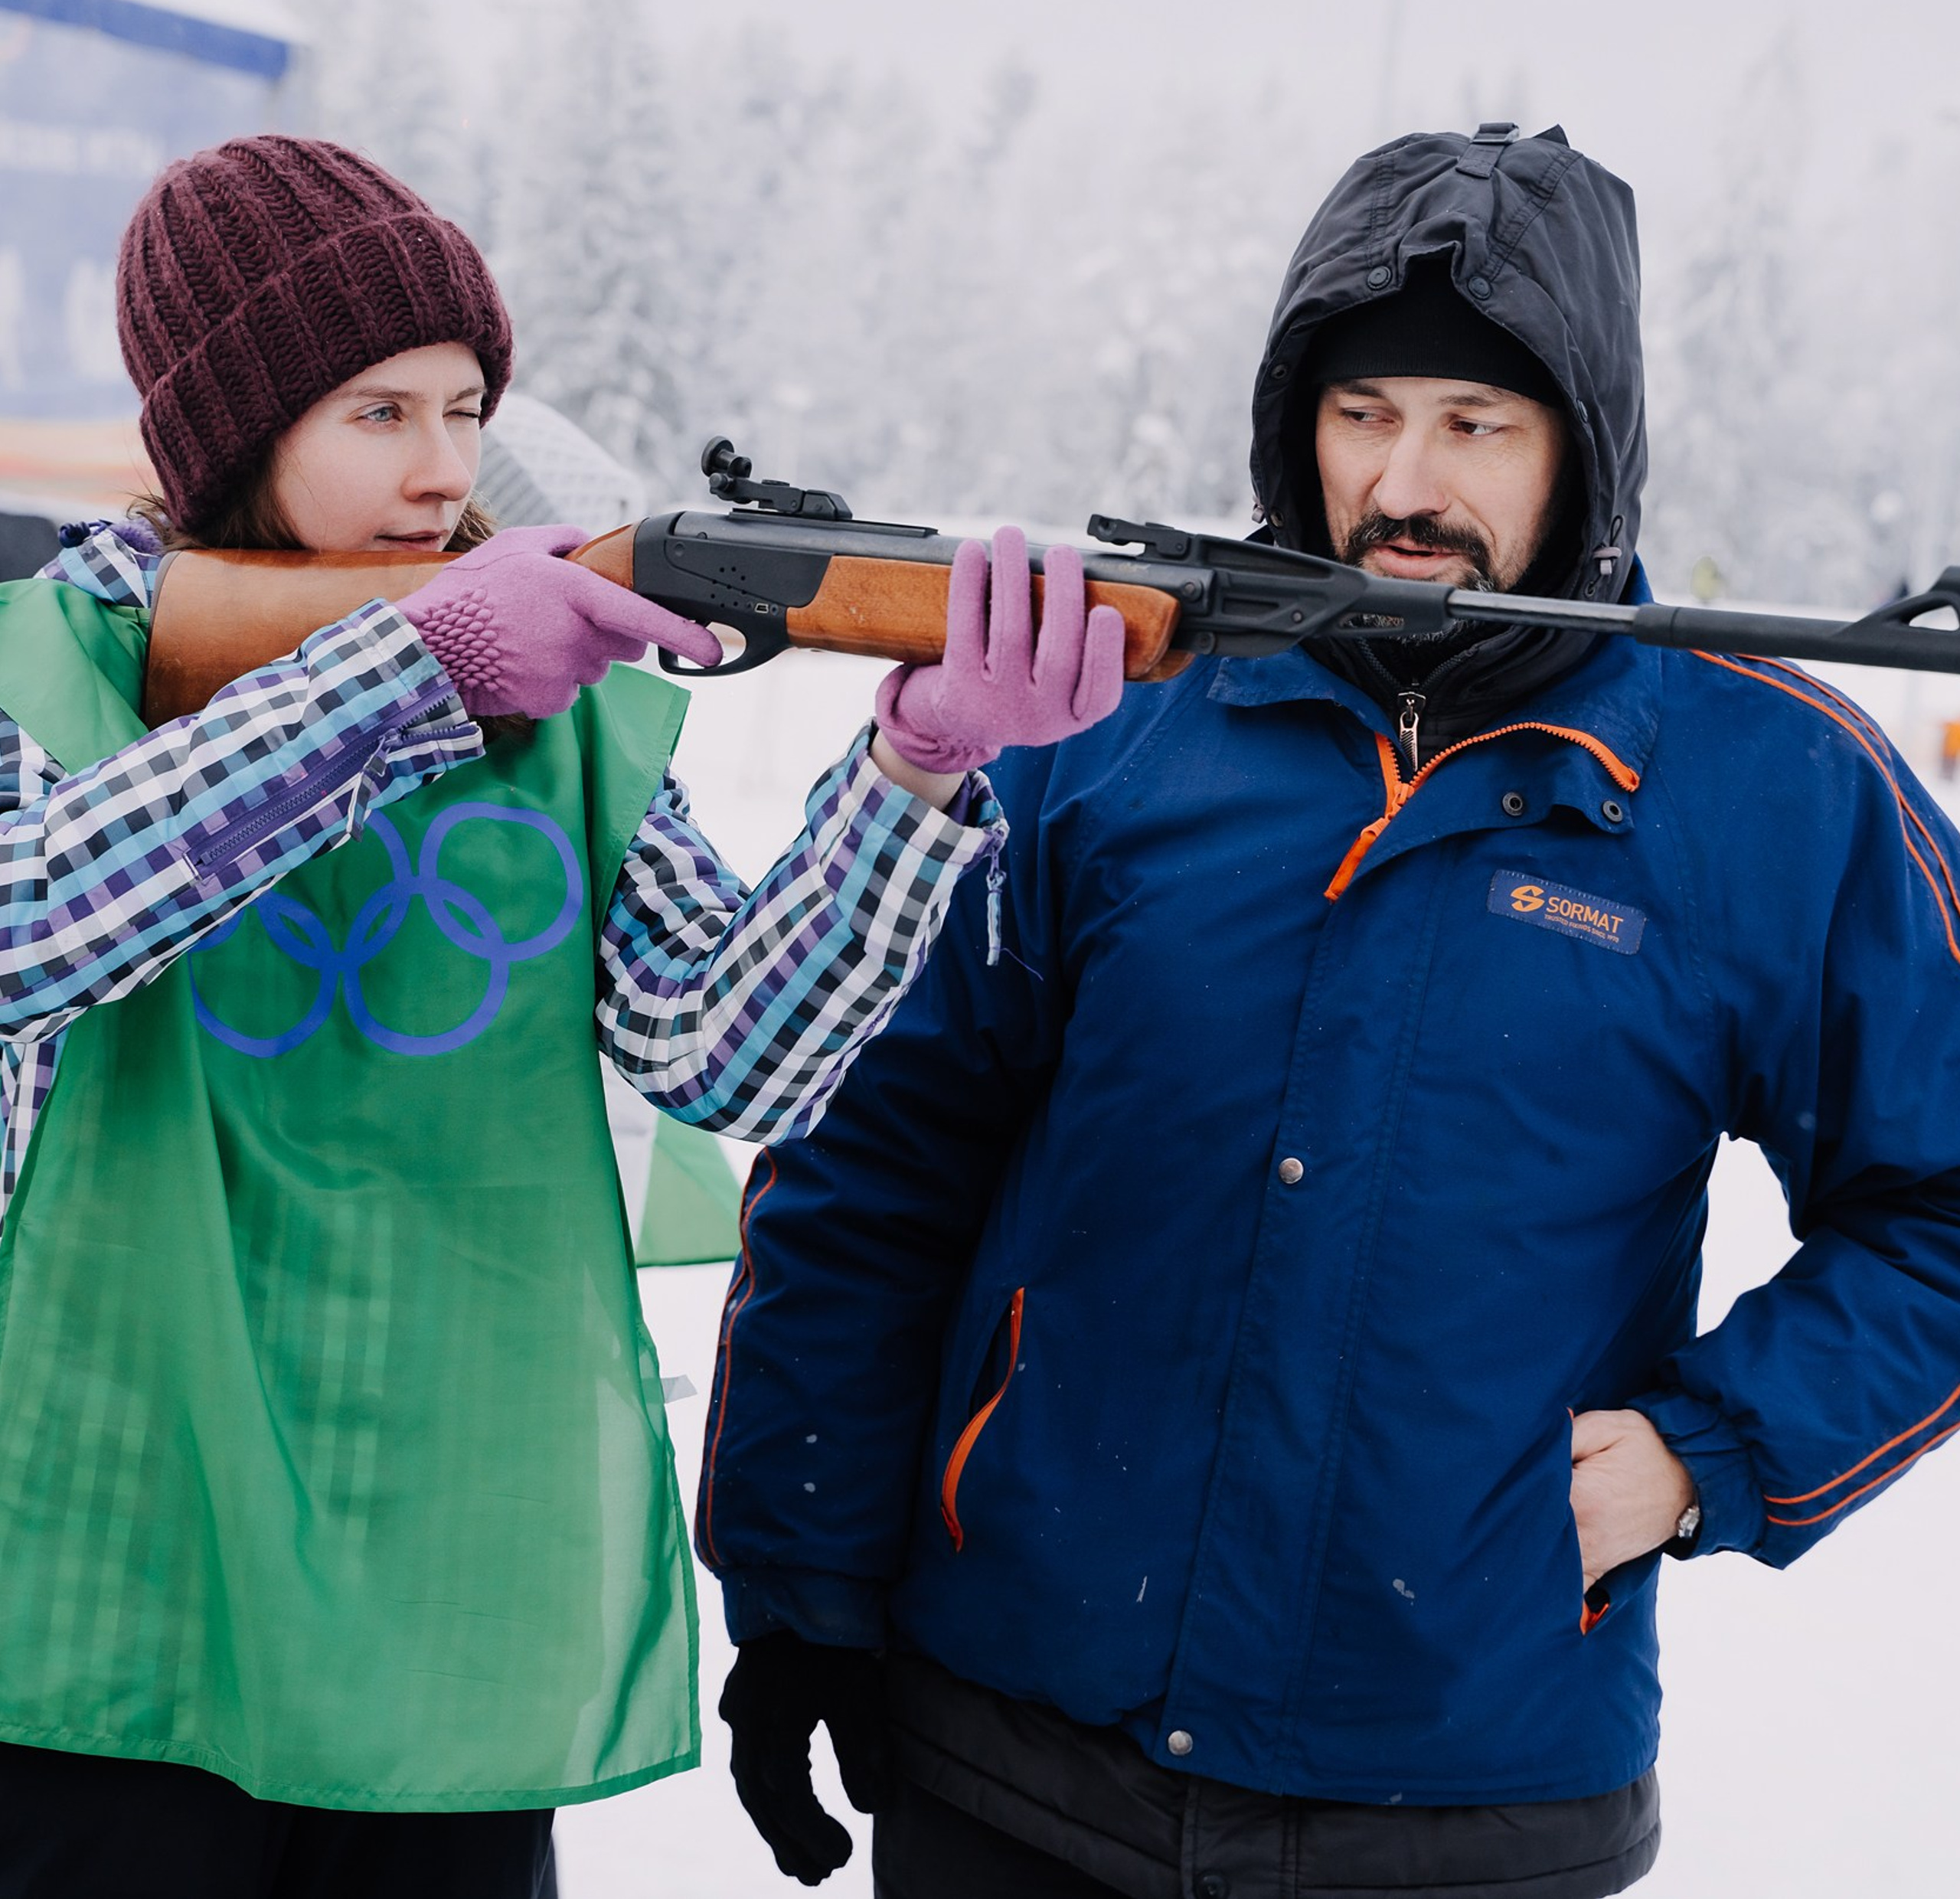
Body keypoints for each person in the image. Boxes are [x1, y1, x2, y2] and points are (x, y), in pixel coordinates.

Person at [698, 122, 1960, 1899]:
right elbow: (871, 1155)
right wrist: (803, 1584)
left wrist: (1707, 1448)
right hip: (1014, 1747)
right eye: (1360, 415)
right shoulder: (1107, 722)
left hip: (1460, 1793)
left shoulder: (1771, 789)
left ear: (1584, 451)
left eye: (1473, 424)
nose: (1401, 481)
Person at [0, 135, 1123, 1898]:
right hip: (96, 1599)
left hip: (444, 1607)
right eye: (378, 412)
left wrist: (916, 765)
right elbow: (31, 919)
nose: (446, 469)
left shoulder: (557, 696)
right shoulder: (45, 657)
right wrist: (414, 671)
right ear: (229, 432)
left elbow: (726, 1051)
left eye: (465, 407)